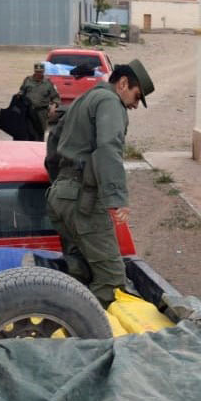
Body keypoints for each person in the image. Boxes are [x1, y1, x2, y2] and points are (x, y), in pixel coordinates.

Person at [47, 59, 155, 307]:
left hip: (60, 196)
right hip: (82, 200)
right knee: (111, 279)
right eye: (137, 97)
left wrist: (61, 185)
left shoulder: (84, 99)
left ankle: (66, 324)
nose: (135, 106)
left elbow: (53, 141)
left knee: (80, 270)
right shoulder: (110, 102)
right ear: (124, 84)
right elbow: (108, 148)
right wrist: (117, 198)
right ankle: (91, 338)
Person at [20, 62, 60, 141]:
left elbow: (55, 97)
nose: (39, 74)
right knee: (27, 132)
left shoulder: (48, 83)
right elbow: (22, 91)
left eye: (41, 72)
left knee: (40, 133)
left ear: (44, 71)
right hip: (28, 111)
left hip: (41, 112)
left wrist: (54, 106)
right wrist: (19, 94)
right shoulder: (27, 80)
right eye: (37, 72)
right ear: (34, 71)